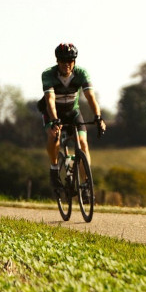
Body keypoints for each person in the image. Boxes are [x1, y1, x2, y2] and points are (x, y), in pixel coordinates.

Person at [40, 43, 106, 191]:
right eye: (63, 61)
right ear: (57, 61)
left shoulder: (81, 73)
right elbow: (50, 100)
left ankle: (86, 184)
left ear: (74, 61)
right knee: (54, 135)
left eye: (70, 61)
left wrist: (98, 117)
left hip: (73, 112)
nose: (67, 64)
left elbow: (91, 97)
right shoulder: (48, 74)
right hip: (53, 112)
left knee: (83, 143)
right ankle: (54, 168)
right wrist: (55, 120)